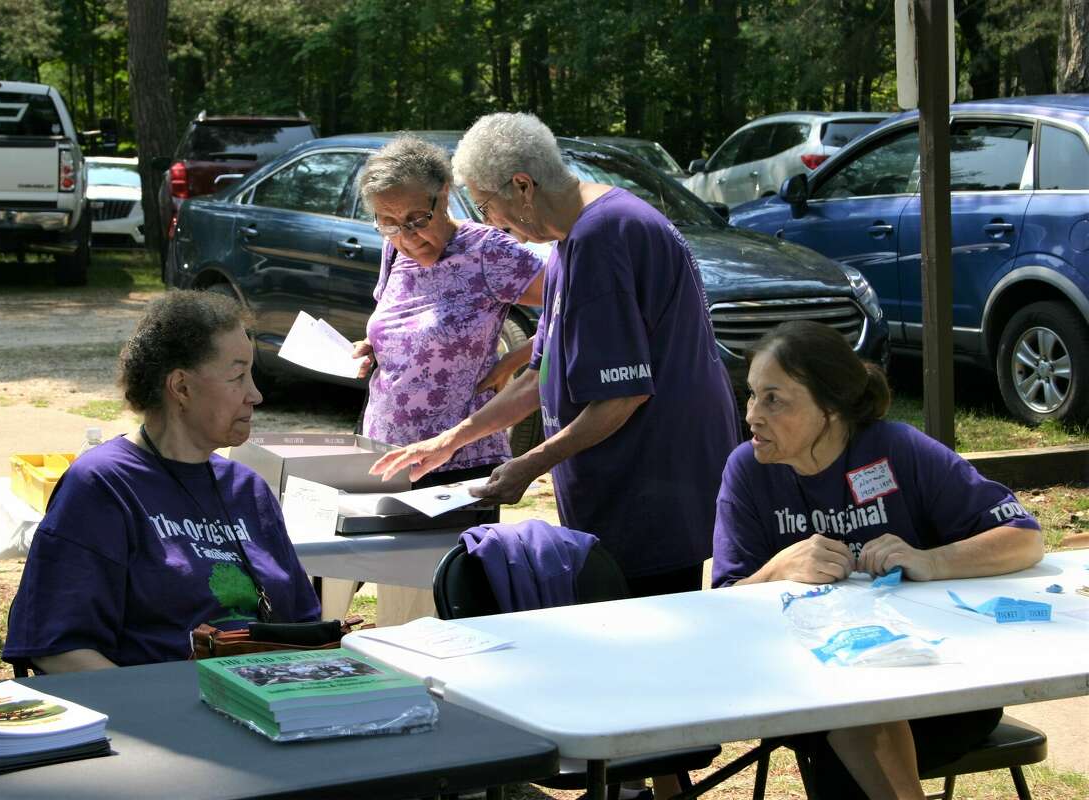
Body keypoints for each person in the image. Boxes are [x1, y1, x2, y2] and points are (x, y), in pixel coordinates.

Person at [373, 112, 739, 597]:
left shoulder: (603, 237)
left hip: (651, 486)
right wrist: (448, 442)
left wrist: (528, 465)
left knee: (642, 644)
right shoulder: (572, 240)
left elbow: (621, 396)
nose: (490, 222)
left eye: (486, 206)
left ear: (522, 186)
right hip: (624, 486)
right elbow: (537, 373)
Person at [712, 320, 1045, 800]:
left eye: (774, 399)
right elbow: (722, 602)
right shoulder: (747, 470)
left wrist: (931, 560)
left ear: (829, 407)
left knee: (849, 739)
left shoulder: (895, 449)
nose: (752, 416)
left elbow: (1023, 538)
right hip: (811, 691)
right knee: (845, 730)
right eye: (751, 396)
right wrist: (777, 569)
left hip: (934, 686)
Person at [4, 290, 320, 674]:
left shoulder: (247, 489)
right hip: (163, 717)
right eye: (238, 376)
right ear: (181, 387)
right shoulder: (103, 486)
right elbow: (57, 648)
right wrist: (156, 713)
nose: (255, 394)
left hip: (265, 705)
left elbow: (305, 628)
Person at [352, 134, 545, 488]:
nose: (407, 237)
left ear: (443, 195)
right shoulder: (392, 250)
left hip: (461, 462)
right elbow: (400, 325)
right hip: (384, 453)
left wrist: (516, 359)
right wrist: (372, 345)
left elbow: (576, 303)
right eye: (389, 223)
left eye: (417, 220)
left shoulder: (488, 251)